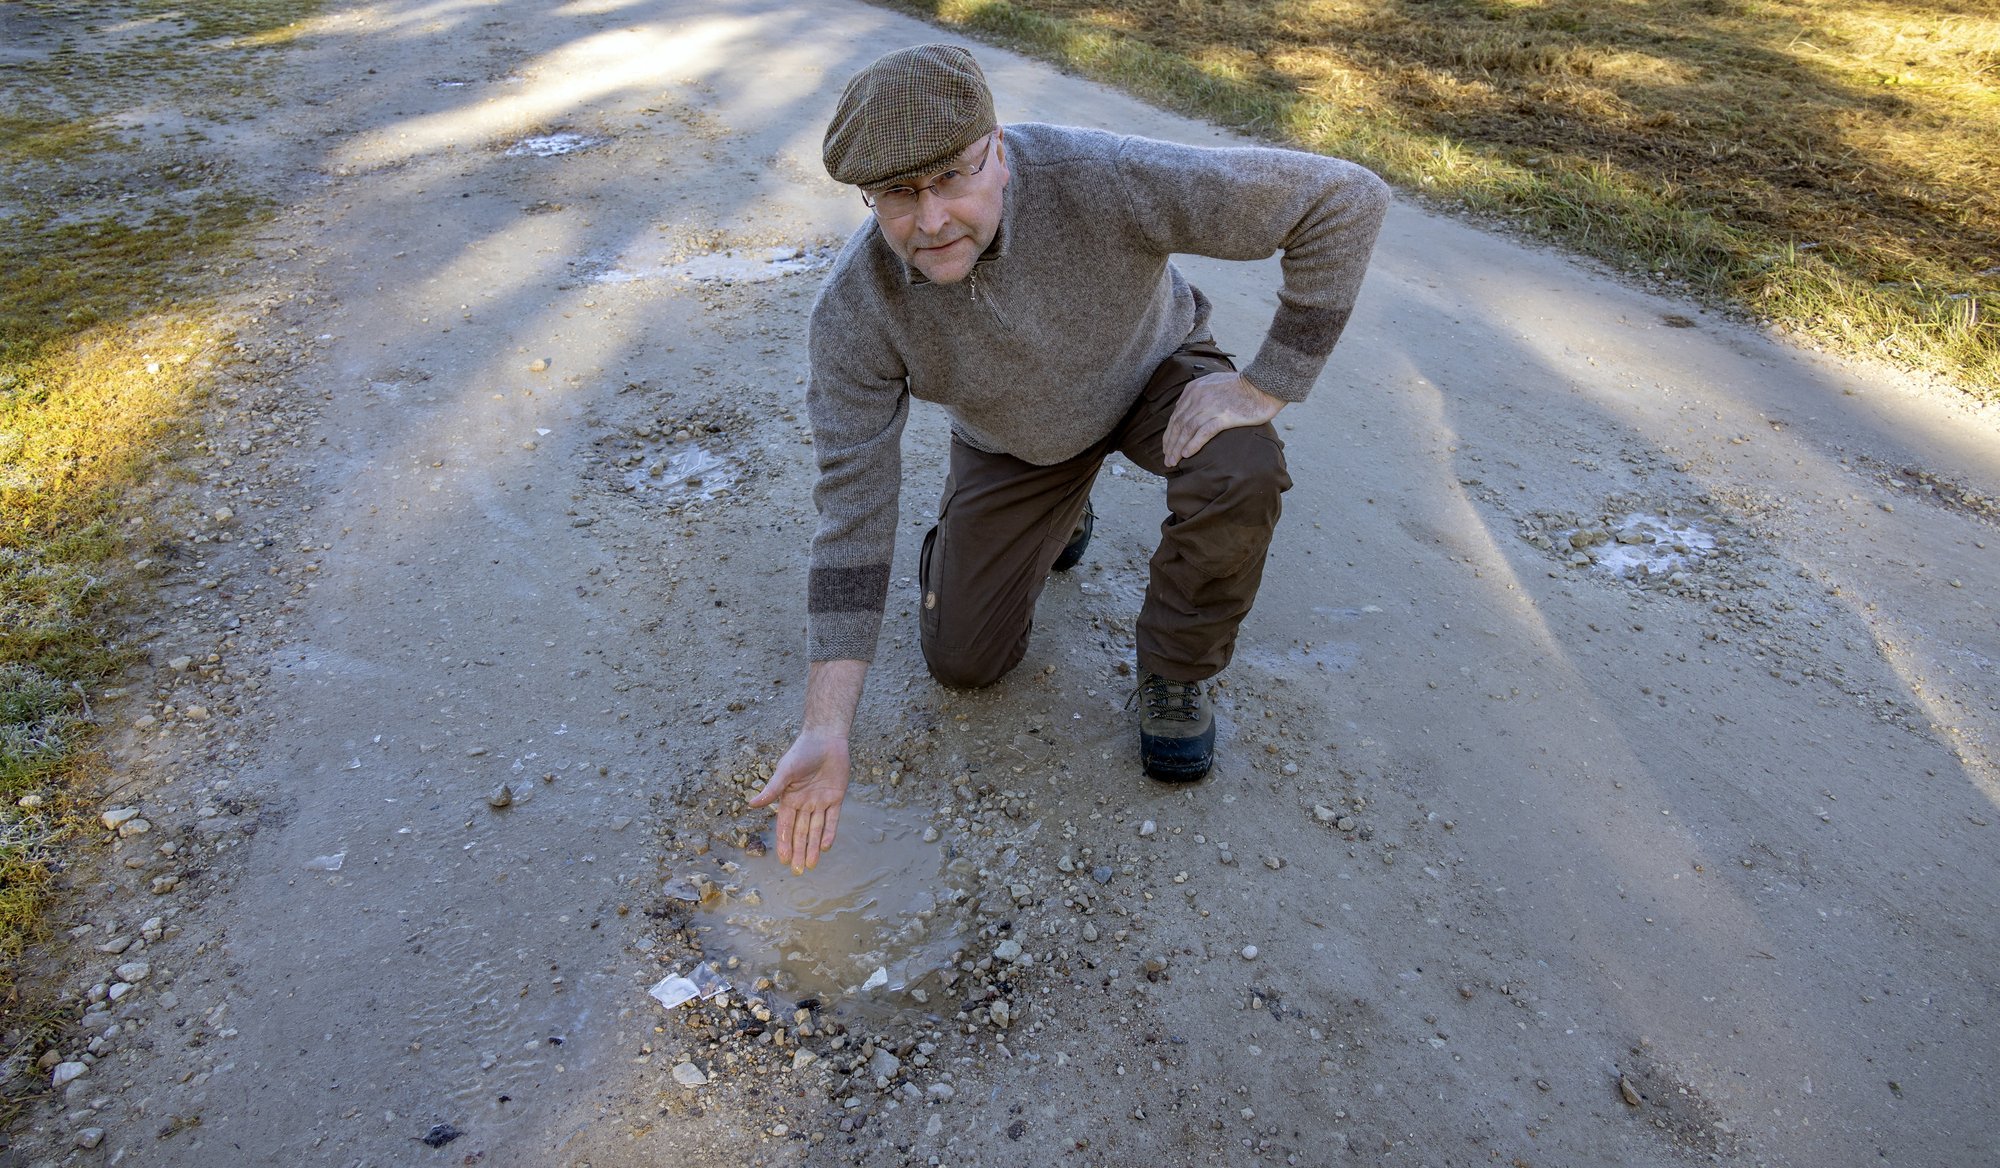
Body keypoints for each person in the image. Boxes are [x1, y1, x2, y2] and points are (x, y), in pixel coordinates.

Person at [751, 44, 1389, 872]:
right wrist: (825, 726)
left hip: (1150, 376)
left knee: (1244, 466)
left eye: (952, 176)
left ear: (1000, 153)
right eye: (899, 194)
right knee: (964, 663)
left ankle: (1175, 672)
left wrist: (1269, 383)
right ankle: (1050, 509)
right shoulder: (854, 311)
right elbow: (853, 509)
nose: (932, 218)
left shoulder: (1102, 175)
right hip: (1015, 443)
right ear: (867, 197)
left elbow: (1343, 199)